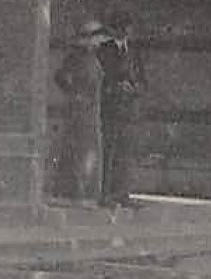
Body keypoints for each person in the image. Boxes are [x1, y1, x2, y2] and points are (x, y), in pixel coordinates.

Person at [95, 14, 145, 209]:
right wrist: (115, 87)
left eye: (130, 29)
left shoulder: (133, 51)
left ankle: (123, 193)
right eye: (124, 28)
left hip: (129, 110)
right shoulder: (104, 50)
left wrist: (135, 89)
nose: (128, 33)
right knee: (109, 152)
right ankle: (105, 193)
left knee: (126, 153)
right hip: (110, 108)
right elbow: (101, 79)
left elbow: (142, 78)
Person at [54, 21, 107, 202]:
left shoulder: (93, 58)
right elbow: (60, 76)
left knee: (87, 149)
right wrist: (74, 93)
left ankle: (84, 190)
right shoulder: (76, 58)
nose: (98, 42)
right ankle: (75, 190)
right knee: (79, 149)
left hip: (91, 110)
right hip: (80, 110)